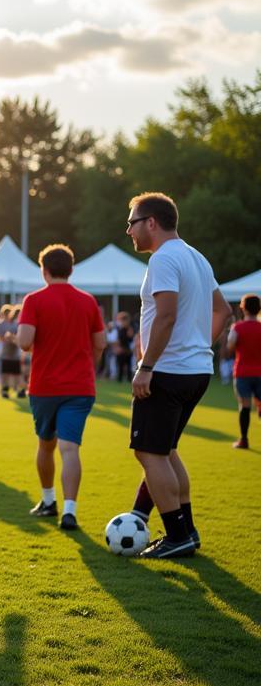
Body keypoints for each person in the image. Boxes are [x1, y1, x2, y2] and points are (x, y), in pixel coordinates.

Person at [123, 193, 230, 558]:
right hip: (194, 370)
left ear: (151, 222)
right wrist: (200, 346)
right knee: (166, 451)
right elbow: (223, 310)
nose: (129, 231)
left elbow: (166, 315)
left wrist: (146, 366)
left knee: (149, 454)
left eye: (132, 223)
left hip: (167, 372)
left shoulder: (164, 259)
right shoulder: (196, 256)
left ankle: (176, 536)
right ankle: (187, 531)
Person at [17, 244, 106, 530]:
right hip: (80, 386)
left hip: (45, 386)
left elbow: (23, 341)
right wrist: (87, 365)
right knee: (70, 448)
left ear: (44, 271)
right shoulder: (88, 301)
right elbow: (101, 343)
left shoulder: (34, 300)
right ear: (71, 269)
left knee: (46, 445)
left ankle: (48, 500)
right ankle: (70, 510)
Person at [228, 294, 261, 449]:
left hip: (242, 372)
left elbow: (230, 346)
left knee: (245, 406)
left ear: (243, 307)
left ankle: (244, 440)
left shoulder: (238, 327)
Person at [0, 305, 23, 398]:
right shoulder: (0, 323)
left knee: (16, 372)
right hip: (5, 352)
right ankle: (4, 389)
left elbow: (20, 335)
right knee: (5, 372)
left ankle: (18, 389)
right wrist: (7, 338)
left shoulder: (16, 323)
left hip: (15, 352)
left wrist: (13, 338)